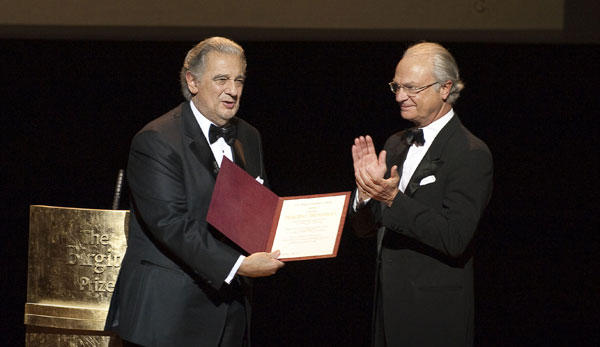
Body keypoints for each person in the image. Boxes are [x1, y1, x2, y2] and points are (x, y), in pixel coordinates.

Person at [105, 37, 284, 346]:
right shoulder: (156, 140)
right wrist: (238, 266)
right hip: (168, 317)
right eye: (221, 79)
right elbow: (171, 225)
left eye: (238, 80)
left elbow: (261, 206)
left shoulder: (249, 136)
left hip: (230, 314)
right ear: (193, 81)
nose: (233, 90)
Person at [350, 42, 493, 347]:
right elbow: (364, 229)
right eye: (397, 86)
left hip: (434, 316)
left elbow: (454, 237)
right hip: (387, 309)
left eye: (412, 88)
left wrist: (391, 199)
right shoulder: (396, 142)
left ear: (445, 89)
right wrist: (364, 195)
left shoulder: (470, 153)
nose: (400, 96)